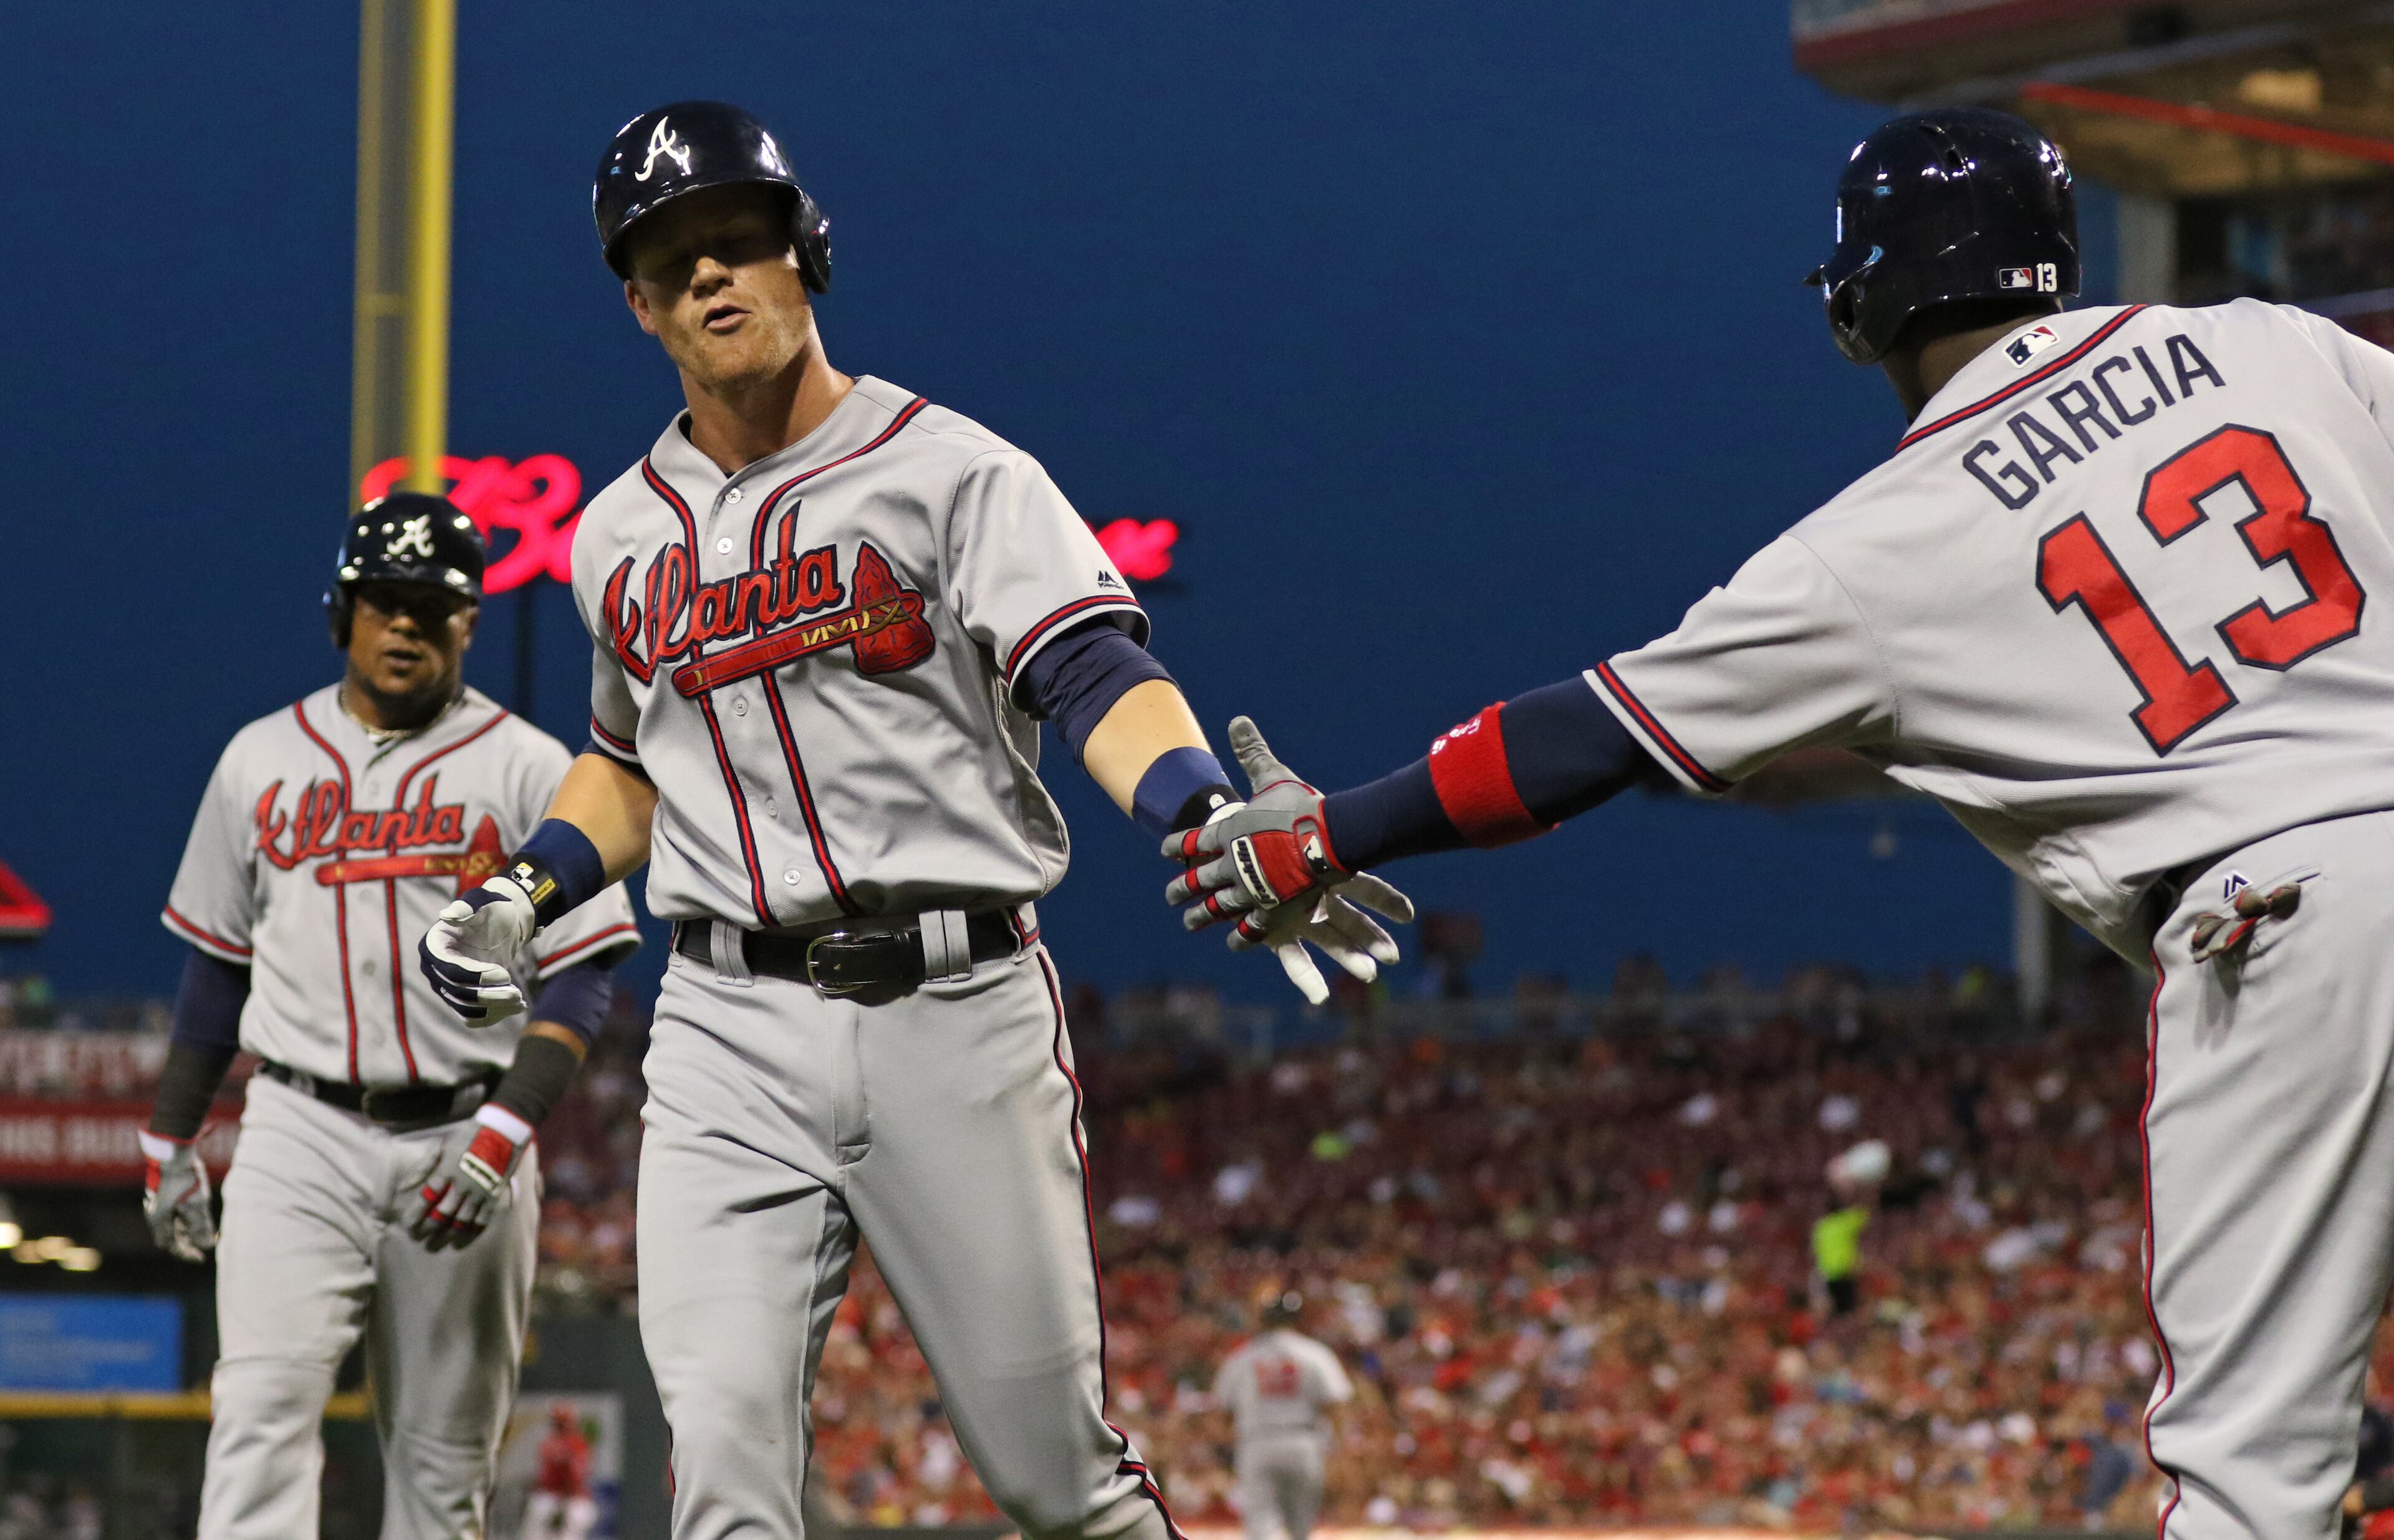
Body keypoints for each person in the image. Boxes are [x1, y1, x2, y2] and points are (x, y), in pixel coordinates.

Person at [1168, 106, 2394, 1538]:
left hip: (2287, 920)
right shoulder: (2266, 343)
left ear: (1854, 308)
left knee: (2253, 1480)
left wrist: (1325, 836)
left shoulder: (1874, 546)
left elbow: (1581, 735)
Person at [413, 100, 1412, 1540]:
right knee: (725, 1466)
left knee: (1052, 1480)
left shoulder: (954, 472)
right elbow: (625, 757)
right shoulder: (621, 530)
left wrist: (1202, 808)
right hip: (721, 1028)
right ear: (636, 304)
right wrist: (527, 879)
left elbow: (1092, 672)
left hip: (953, 1002)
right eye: (671, 258)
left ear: (803, 250)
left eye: (737, 239)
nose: (710, 275)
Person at [145, 496, 638, 1538]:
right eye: (385, 602)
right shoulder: (258, 760)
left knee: (443, 1459)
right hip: (298, 1130)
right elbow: (217, 971)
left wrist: (505, 1132)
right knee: (259, 1412)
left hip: (467, 1127)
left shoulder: (529, 767)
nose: (406, 624)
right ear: (342, 612)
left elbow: (583, 974)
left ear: (469, 622)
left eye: (432, 604)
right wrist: (169, 1135)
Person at [1212, 1292, 1353, 1540]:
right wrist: (1339, 1451)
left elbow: (1222, 1412)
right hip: (1303, 1442)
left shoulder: (1242, 1357)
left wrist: (1227, 1452)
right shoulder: (1315, 1354)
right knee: (1301, 1527)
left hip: (1257, 1442)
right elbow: (1337, 1406)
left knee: (1261, 1527)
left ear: (1264, 1320)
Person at [525, 1403, 598, 1540]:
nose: (559, 1425)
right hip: (552, 1499)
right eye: (558, 1422)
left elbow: (575, 1480)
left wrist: (561, 1507)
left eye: (562, 1422)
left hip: (574, 1501)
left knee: (567, 1523)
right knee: (537, 1514)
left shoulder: (578, 1445)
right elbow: (543, 1481)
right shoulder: (548, 1444)